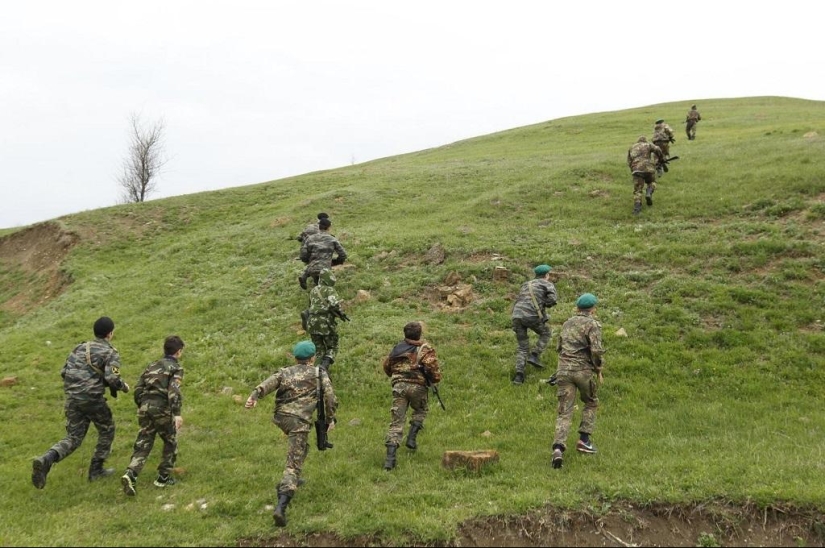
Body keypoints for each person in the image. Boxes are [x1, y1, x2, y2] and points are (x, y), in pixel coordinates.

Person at [245, 340, 337, 527]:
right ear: (312, 358)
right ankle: (282, 504)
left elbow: (267, 384)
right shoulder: (319, 373)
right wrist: (330, 419)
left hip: (281, 418)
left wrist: (254, 396)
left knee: (302, 448)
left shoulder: (285, 371)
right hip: (299, 421)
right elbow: (330, 397)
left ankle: (293, 478)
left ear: (295, 358)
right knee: (293, 464)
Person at [31, 316, 130, 489]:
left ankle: (47, 459)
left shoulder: (80, 348)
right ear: (110, 333)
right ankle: (96, 470)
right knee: (107, 429)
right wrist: (124, 387)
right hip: (92, 399)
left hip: (72, 398)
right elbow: (112, 378)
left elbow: (64, 372)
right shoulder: (110, 352)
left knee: (74, 437)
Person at [120, 335, 186, 496]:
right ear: (178, 352)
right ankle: (163, 477)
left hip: (144, 408)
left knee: (144, 442)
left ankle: (131, 473)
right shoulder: (176, 369)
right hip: (161, 408)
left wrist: (142, 405)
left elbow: (138, 388)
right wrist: (176, 414)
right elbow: (173, 392)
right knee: (170, 441)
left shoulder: (151, 366)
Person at [551, 293, 605, 470]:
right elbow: (596, 350)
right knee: (591, 402)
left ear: (577, 307)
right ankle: (584, 440)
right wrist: (598, 368)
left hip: (563, 370)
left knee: (564, 411)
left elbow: (559, 347)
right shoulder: (593, 324)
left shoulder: (567, 323)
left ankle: (558, 448)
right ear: (593, 308)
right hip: (582, 371)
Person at [381, 321, 442, 471]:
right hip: (417, 387)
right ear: (419, 334)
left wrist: (396, 375)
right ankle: (411, 438)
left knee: (396, 421)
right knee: (420, 410)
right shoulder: (424, 348)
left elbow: (387, 366)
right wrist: (434, 379)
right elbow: (432, 367)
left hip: (399, 387)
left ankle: (390, 460)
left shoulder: (397, 348)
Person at [510, 264, 558, 385]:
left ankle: (519, 376)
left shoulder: (526, 284)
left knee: (522, 347)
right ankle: (535, 354)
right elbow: (552, 300)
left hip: (516, 315)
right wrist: (543, 304)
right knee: (546, 332)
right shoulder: (547, 284)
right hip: (531, 315)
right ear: (547, 275)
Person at [306, 268, 347, 372]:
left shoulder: (313, 290)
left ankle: (315, 373)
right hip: (325, 323)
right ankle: (323, 368)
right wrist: (341, 313)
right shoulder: (329, 290)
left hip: (312, 323)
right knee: (332, 347)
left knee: (319, 350)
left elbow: (310, 305)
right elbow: (334, 304)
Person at [298, 217, 347, 290]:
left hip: (312, 267)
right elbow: (343, 254)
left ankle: (308, 279)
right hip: (325, 268)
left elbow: (303, 256)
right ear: (329, 228)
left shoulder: (310, 238)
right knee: (325, 288)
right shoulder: (332, 239)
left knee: (317, 284)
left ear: (319, 227)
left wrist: (309, 261)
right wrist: (337, 261)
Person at [627, 135, 666, 215]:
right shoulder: (648, 144)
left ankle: (637, 208)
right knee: (652, 182)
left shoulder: (632, 147)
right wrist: (661, 159)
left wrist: (633, 170)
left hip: (636, 169)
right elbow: (657, 149)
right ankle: (649, 192)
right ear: (645, 140)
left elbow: (629, 161)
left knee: (638, 190)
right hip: (648, 168)